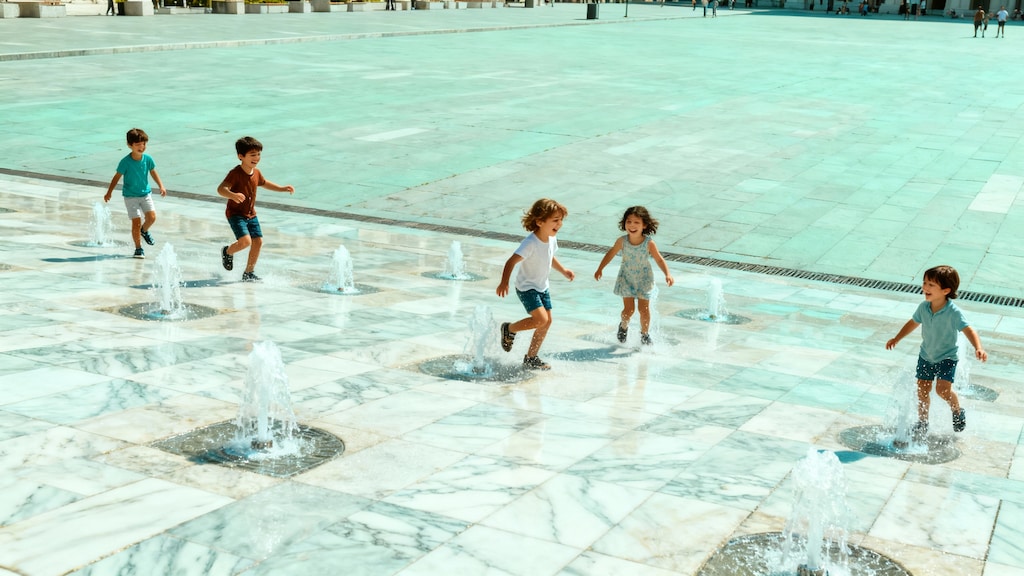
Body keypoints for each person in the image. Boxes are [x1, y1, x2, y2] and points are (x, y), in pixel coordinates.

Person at [885, 265, 987, 437]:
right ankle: (922, 422)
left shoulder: (953, 312)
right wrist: (897, 338)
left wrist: (979, 347)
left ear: (946, 290)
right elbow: (913, 323)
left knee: (942, 390)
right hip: (926, 355)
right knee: (922, 390)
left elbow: (969, 330)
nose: (925, 287)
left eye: (931, 285)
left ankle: (957, 411)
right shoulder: (923, 308)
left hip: (947, 358)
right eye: (925, 282)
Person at [496, 198, 575, 371]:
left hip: (542, 286)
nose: (559, 224)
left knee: (547, 322)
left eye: (561, 220)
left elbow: (549, 256)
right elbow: (511, 261)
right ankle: (509, 328)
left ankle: (531, 358)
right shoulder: (530, 243)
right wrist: (504, 282)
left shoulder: (551, 238)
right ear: (540, 222)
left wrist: (563, 270)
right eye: (555, 220)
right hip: (527, 287)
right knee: (541, 319)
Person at [217, 136, 295, 282]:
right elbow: (221, 189)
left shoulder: (256, 172)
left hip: (251, 214)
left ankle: (249, 272)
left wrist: (282, 188)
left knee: (258, 241)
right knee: (246, 241)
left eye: (258, 154)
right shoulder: (235, 173)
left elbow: (264, 183)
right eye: (252, 155)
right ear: (241, 156)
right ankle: (227, 251)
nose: (256, 158)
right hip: (236, 214)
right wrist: (232, 195)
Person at [593, 206, 674, 346]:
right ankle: (623, 326)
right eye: (628, 221)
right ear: (624, 224)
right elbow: (610, 253)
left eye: (636, 222)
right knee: (628, 310)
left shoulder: (649, 243)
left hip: (644, 279)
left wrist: (667, 274)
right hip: (627, 278)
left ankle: (644, 334)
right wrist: (600, 268)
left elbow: (659, 259)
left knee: (644, 309)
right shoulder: (622, 241)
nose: (632, 225)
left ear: (644, 225)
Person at [103, 128, 166, 259]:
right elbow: (116, 177)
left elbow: (153, 172)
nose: (141, 147)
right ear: (129, 145)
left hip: (145, 194)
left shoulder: (148, 159)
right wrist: (109, 192)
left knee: (152, 217)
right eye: (138, 145)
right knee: (135, 222)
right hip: (130, 196)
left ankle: (144, 231)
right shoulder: (125, 162)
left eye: (143, 144)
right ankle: (138, 249)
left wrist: (161, 186)